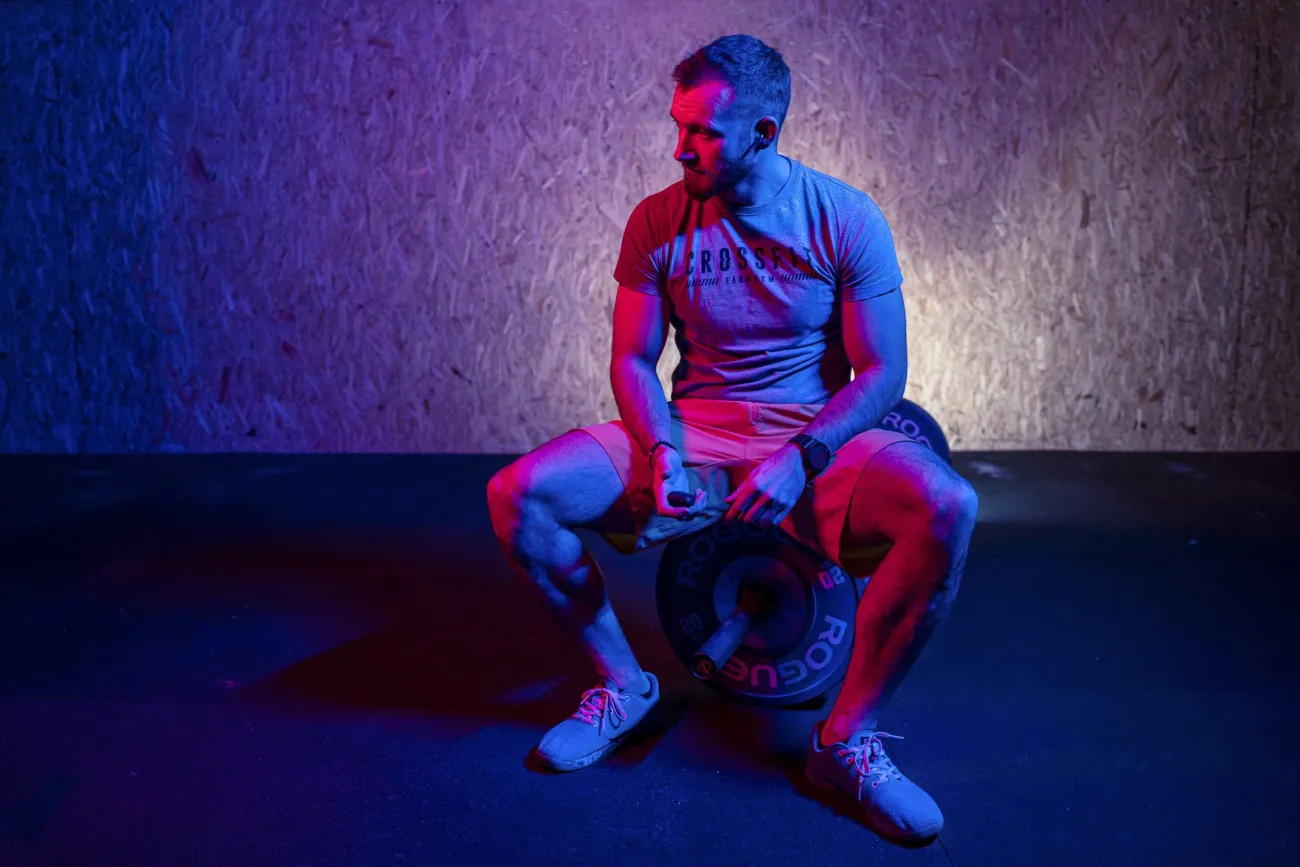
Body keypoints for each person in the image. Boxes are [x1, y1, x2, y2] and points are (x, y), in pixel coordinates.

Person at [486, 33, 978, 846]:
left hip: (812, 439)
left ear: (763, 132)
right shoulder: (657, 220)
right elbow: (634, 359)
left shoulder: (845, 218)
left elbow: (882, 372)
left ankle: (843, 740)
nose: (680, 147)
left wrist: (801, 457)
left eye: (703, 132)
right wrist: (661, 450)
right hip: (694, 432)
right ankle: (625, 686)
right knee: (520, 494)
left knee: (948, 507)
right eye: (678, 125)